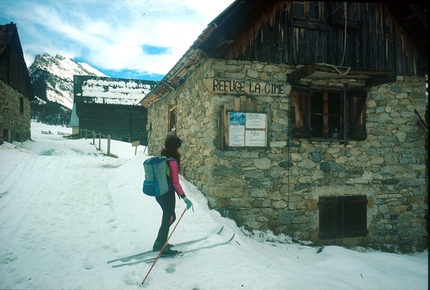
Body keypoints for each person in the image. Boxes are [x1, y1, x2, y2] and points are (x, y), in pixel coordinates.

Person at [152, 136, 193, 256]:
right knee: (168, 218)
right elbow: (175, 182)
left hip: (159, 193)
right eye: (178, 148)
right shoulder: (173, 162)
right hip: (168, 194)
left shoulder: (162, 158)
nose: (179, 150)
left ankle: (159, 243)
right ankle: (163, 248)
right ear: (175, 148)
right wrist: (185, 198)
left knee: (170, 217)